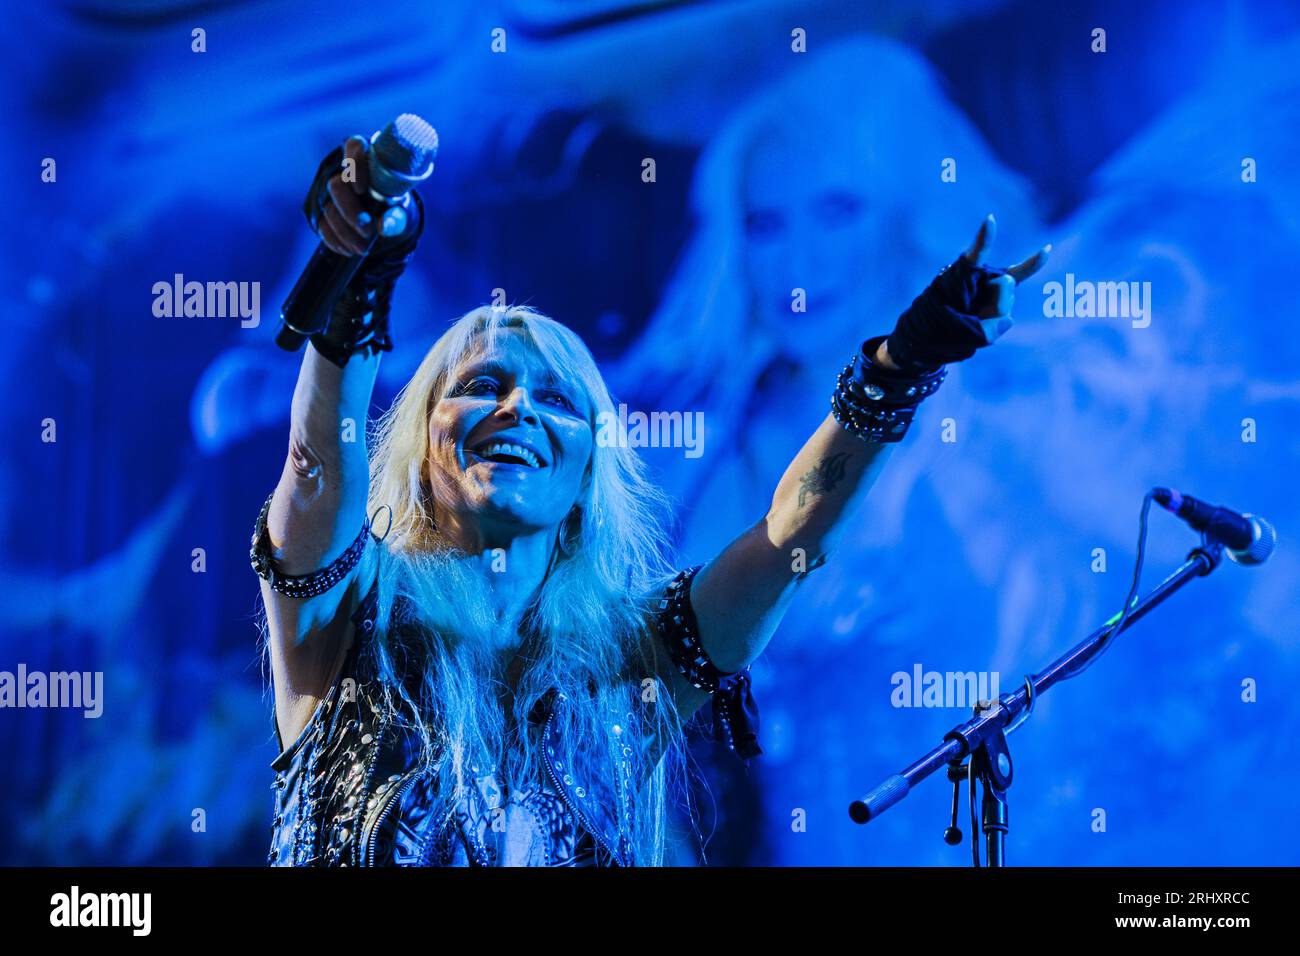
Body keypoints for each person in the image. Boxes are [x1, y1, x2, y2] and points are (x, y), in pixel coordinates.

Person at [252, 132, 1049, 866]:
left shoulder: (641, 652)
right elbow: (318, 462)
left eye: (557, 401)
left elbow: (785, 543)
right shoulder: (351, 617)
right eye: (482, 386)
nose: (517, 408)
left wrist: (897, 369)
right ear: (424, 441)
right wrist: (365, 277)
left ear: (589, 471)